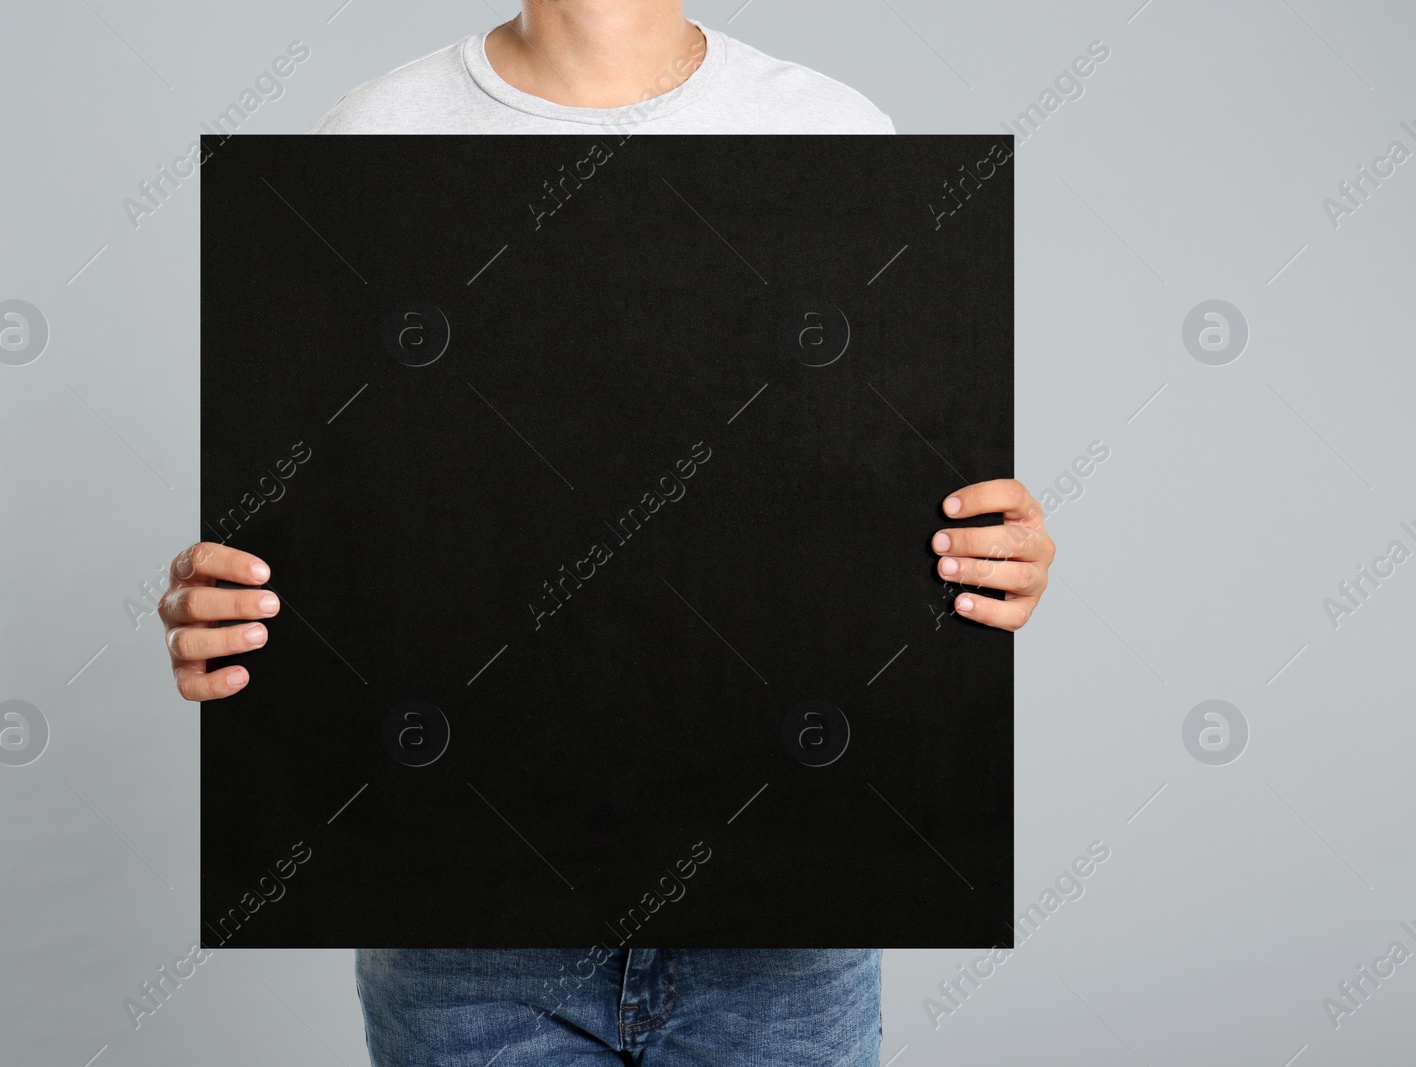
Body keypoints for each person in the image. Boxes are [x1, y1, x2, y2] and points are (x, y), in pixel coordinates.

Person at [162, 3, 1055, 1063]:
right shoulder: (368, 138)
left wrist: (992, 558)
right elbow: (334, 520)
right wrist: (234, 605)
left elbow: (872, 504)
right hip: (465, 935)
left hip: (786, 922)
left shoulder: (833, 132)